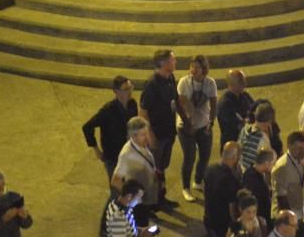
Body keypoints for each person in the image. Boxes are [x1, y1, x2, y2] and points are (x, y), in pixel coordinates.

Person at [140, 49, 184, 210]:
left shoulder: (170, 78)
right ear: (164, 63)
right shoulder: (152, 84)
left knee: (161, 167)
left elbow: (176, 101)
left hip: (168, 131)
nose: (175, 62)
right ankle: (150, 203)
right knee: (154, 169)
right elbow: (143, 112)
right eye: (173, 60)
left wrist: (185, 119)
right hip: (157, 135)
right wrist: (150, 135)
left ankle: (160, 198)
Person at [83, 75, 139, 180]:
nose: (129, 91)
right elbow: (87, 127)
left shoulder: (132, 104)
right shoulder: (108, 110)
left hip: (129, 151)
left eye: (131, 88)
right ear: (116, 92)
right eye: (126, 89)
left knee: (129, 185)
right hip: (113, 155)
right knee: (117, 187)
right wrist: (96, 150)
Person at [178, 54, 217, 203]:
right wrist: (188, 124)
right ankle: (185, 187)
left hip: (203, 125)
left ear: (204, 69)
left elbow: (213, 104)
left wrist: (211, 122)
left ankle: (198, 181)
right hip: (185, 127)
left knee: (205, 156)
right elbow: (181, 105)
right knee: (189, 157)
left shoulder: (210, 83)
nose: (194, 70)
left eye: (197, 67)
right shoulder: (184, 82)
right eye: (192, 66)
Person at [204, 142, 242, 237]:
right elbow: (232, 208)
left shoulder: (210, 169)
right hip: (222, 224)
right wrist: (236, 225)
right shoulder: (230, 180)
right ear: (235, 157)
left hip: (208, 218)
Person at [272, 132, 304, 219]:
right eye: (299, 148)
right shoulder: (282, 167)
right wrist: (289, 218)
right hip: (289, 214)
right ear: (289, 146)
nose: (302, 152)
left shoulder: (302, 158)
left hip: (301, 210)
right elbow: (281, 198)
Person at [217, 70, 255, 150]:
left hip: (246, 143)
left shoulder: (245, 96)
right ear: (232, 84)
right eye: (241, 81)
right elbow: (234, 127)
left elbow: (255, 111)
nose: (245, 84)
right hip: (232, 147)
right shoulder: (225, 103)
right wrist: (247, 121)